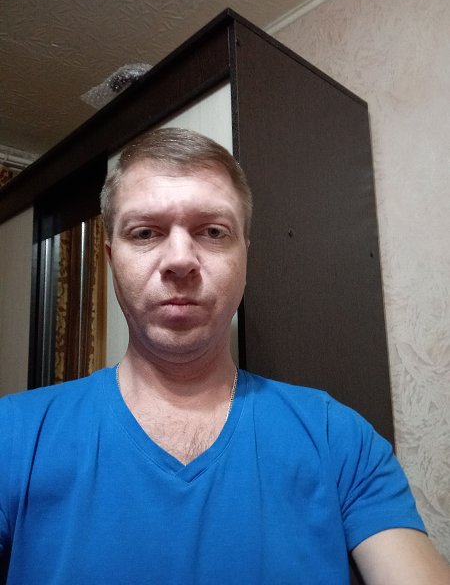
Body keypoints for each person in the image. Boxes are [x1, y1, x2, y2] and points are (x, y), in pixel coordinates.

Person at [0, 128, 449, 584]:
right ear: (112, 258)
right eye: (145, 232)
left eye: (213, 231)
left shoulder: (340, 440)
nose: (180, 259)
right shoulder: (12, 436)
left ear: (244, 259)